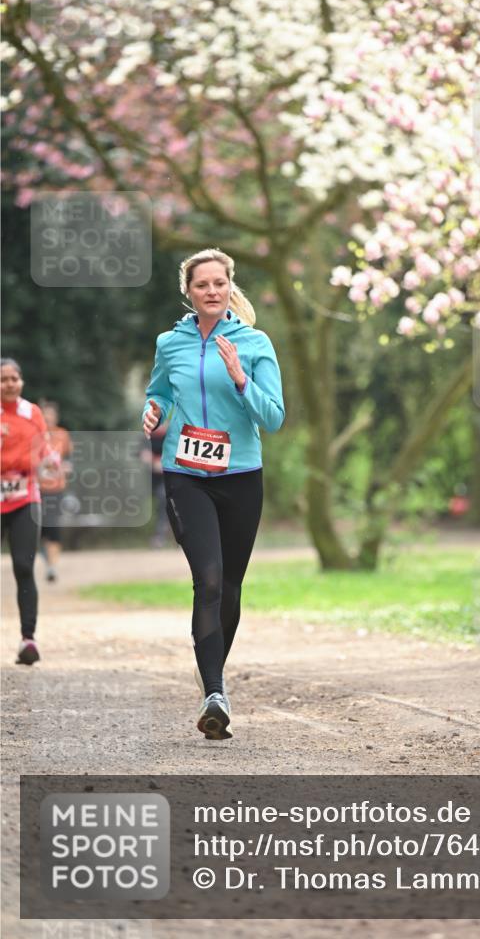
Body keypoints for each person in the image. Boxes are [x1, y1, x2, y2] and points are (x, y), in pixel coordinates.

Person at [142, 248, 285, 740]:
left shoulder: (254, 342)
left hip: (241, 475)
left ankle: (210, 682)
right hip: (185, 472)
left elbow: (273, 417)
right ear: (188, 290)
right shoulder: (169, 342)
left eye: (219, 283)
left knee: (230, 588)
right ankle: (216, 693)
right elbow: (159, 390)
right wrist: (153, 410)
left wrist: (241, 379)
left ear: (229, 287)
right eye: (202, 284)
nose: (211, 291)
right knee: (208, 579)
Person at [1, 358, 59, 664]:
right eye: (3, 379)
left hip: (25, 497)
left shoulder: (32, 413)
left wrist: (50, 459)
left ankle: (28, 640)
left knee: (24, 566)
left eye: (14, 378)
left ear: (21, 381)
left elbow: (44, 447)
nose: (10, 383)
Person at [38, 401, 73, 582]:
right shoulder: (33, 436)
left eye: (50, 415)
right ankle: (48, 562)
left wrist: (68, 466)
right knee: (41, 530)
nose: (48, 418)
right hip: (37, 489)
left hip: (57, 488)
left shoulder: (62, 435)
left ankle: (52, 567)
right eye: (45, 415)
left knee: (54, 528)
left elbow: (70, 458)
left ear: (55, 417)